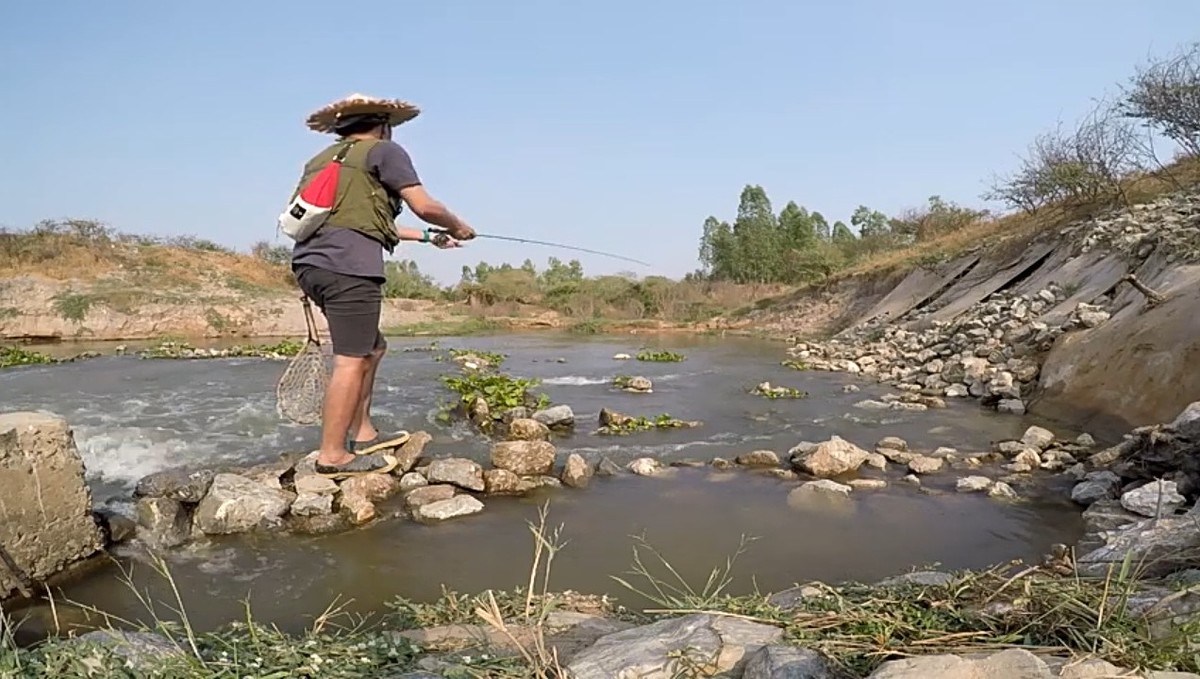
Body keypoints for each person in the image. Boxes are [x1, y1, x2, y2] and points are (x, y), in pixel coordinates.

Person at [288, 93, 476, 479]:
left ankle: (364, 431)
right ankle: (333, 455)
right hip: (349, 266)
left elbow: (357, 219)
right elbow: (424, 204)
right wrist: (457, 225)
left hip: (312, 265)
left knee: (373, 347)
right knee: (351, 358)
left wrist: (429, 238)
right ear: (382, 125)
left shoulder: (324, 161)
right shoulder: (384, 151)